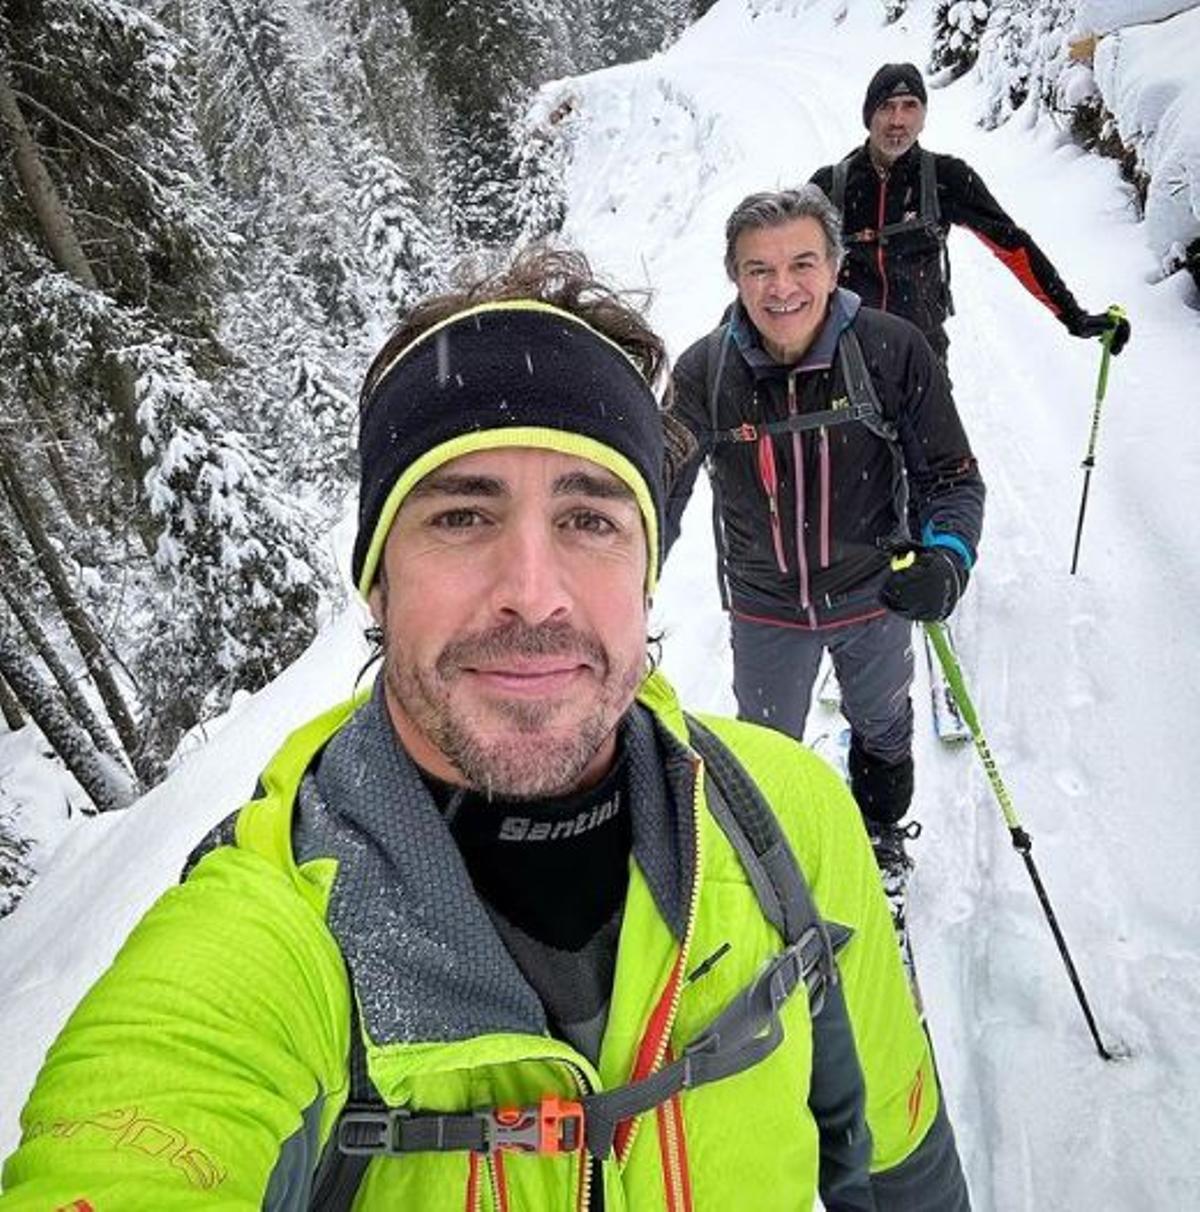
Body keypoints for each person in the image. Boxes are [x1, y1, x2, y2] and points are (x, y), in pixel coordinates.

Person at [0, 249, 971, 1210]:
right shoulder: (268, 939)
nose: (532, 595)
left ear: (645, 574)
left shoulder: (789, 817)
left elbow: (899, 1161)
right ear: (377, 580)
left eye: (591, 520)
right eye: (463, 516)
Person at [665, 186, 985, 887]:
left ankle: (879, 838)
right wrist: (616, 580)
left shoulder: (890, 350)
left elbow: (952, 475)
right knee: (765, 749)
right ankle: (780, 868)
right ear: (735, 276)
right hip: (764, 607)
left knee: (883, 730)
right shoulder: (704, 373)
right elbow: (658, 495)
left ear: (836, 267)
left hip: (874, 598)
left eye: (802, 263)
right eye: (759, 269)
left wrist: (948, 560)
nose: (782, 288)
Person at [809, 62, 1131, 368]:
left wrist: (1074, 316)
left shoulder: (946, 178)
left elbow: (1014, 247)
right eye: (886, 107)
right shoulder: (831, 186)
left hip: (921, 356)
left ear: (923, 117)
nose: (898, 120)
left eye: (909, 106)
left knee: (935, 428)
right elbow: (777, 263)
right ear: (869, 116)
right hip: (846, 355)